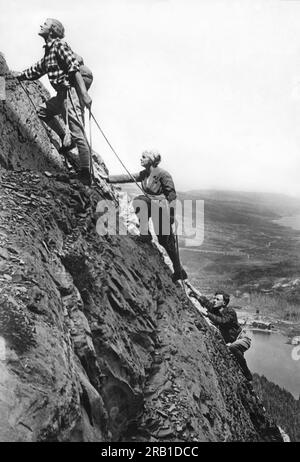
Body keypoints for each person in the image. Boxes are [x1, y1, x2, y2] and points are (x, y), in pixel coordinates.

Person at [17, 19, 92, 185]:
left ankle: (86, 174)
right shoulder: (49, 51)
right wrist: (19, 76)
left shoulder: (58, 45)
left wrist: (84, 94)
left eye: (45, 24)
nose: (41, 25)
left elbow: (73, 67)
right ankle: (65, 136)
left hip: (71, 90)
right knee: (43, 111)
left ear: (53, 30)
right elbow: (38, 69)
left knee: (77, 130)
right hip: (62, 93)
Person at [107, 150, 188, 282]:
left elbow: (172, 196)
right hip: (151, 205)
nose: (141, 159)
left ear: (151, 160)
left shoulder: (163, 174)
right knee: (140, 200)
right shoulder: (144, 174)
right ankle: (145, 234)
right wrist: (107, 178)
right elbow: (127, 177)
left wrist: (172, 216)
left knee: (165, 241)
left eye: (143, 157)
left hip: (162, 209)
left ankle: (179, 270)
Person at [191, 289, 252, 380]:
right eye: (214, 298)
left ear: (224, 303)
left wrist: (207, 314)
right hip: (233, 341)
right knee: (236, 355)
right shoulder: (216, 309)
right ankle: (247, 381)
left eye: (218, 299)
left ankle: (248, 375)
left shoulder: (230, 311)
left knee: (233, 347)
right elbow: (204, 300)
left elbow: (223, 321)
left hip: (243, 338)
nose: (214, 300)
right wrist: (189, 285)